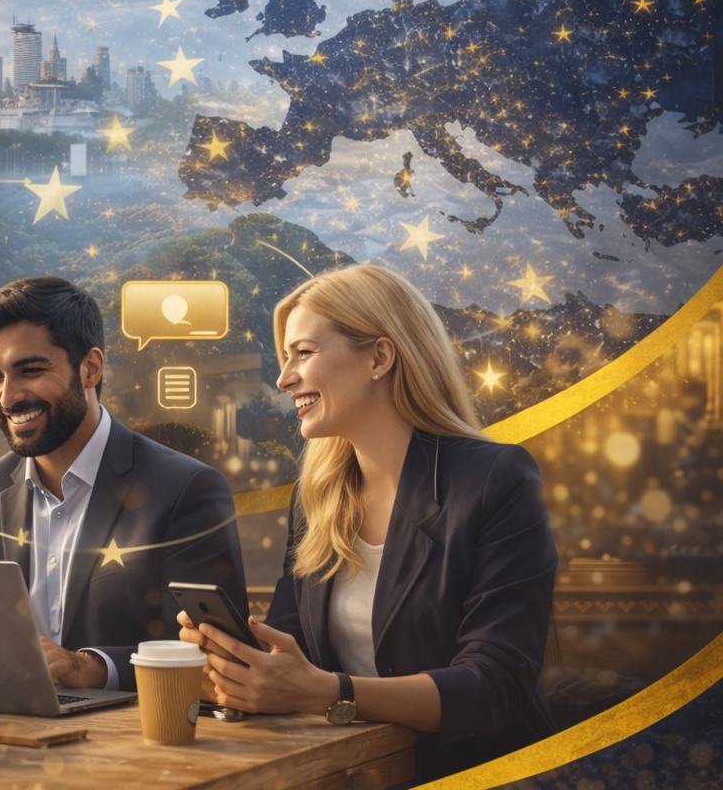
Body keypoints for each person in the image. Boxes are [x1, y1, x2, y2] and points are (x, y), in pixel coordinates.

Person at [179, 264, 557, 782]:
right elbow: (297, 658)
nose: (285, 378)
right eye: (285, 357)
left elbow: (494, 685)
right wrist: (240, 672)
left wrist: (335, 693)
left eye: (303, 354)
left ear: (379, 356)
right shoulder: (314, 498)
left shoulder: (496, 479)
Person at [0, 276, 246, 692]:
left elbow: (216, 658)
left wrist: (89, 667)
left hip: (134, 743)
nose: (8, 397)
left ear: (90, 368)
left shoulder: (186, 489)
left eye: (30, 370)